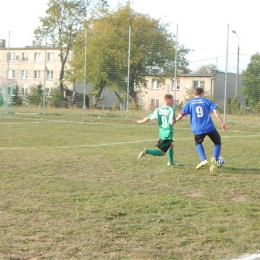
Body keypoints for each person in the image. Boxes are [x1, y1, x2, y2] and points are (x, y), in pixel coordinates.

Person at [174, 87, 227, 172]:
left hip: (197, 128)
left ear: (194, 94)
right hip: (209, 127)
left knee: (198, 143)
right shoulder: (206, 101)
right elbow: (215, 111)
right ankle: (215, 158)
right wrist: (222, 122)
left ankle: (203, 160)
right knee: (217, 142)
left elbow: (181, 114)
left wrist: (175, 121)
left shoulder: (189, 103)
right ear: (202, 93)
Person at [136, 94, 180, 166]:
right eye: (172, 100)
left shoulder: (158, 110)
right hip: (168, 133)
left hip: (162, 133)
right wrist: (177, 119)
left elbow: (149, 117)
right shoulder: (171, 109)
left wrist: (141, 121)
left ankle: (171, 162)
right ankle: (146, 151)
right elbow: (171, 122)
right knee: (162, 153)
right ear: (168, 100)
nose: (173, 101)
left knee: (171, 146)